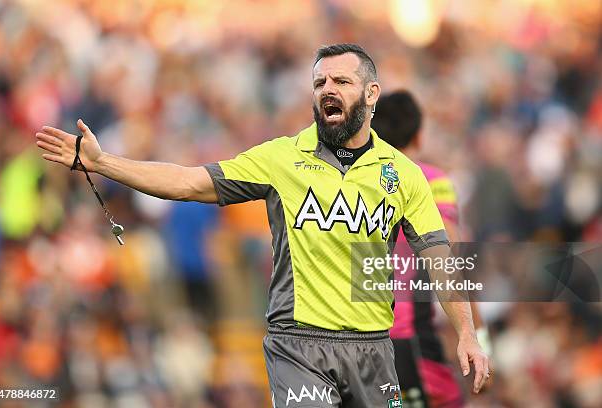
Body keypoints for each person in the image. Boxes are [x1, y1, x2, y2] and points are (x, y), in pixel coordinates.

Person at [35, 43, 489, 407]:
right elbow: (189, 183)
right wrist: (103, 162)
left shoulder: (403, 174)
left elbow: (439, 258)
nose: (327, 89)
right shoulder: (280, 158)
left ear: (371, 94)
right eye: (319, 82)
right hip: (298, 346)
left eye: (341, 81)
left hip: (374, 347)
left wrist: (466, 332)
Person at [373, 90, 492, 407]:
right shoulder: (430, 180)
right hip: (409, 338)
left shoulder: (356, 181)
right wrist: (480, 340)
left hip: (360, 340)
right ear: (419, 134)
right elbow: (452, 256)